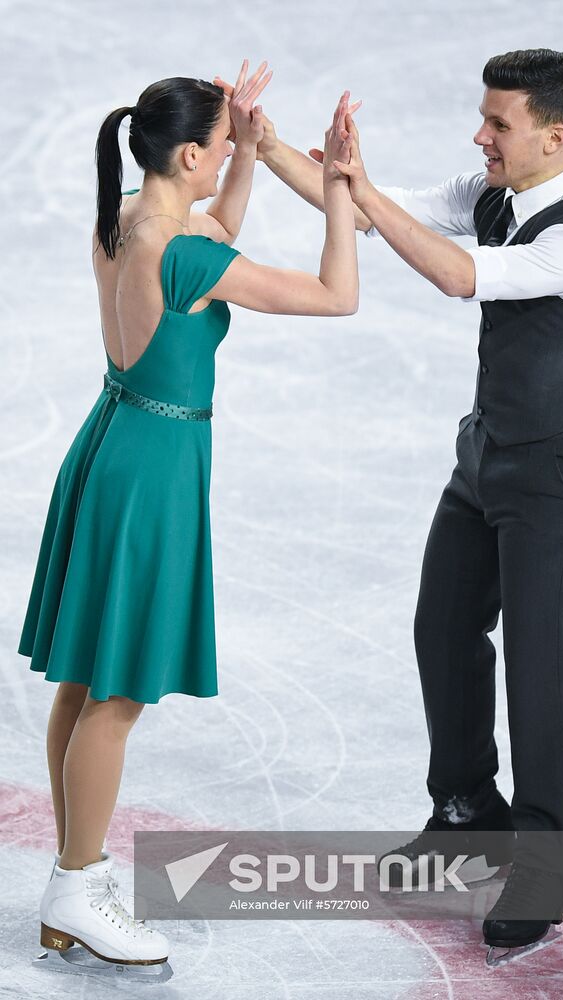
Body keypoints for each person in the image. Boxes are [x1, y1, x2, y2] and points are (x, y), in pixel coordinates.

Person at [245, 47, 563, 962]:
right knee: (441, 625)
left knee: (539, 661)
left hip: (558, 475)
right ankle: (465, 815)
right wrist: (266, 149)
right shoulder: (491, 195)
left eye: (499, 123)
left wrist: (358, 190)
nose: (480, 134)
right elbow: (377, 209)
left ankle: (542, 860)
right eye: (483, 118)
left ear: (553, 135)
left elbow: (457, 274)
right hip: (485, 456)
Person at [18, 60, 358, 980]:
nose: (222, 167)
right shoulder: (190, 252)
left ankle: (71, 880)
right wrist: (336, 193)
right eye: (216, 153)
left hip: (109, 443)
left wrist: (245, 150)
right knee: (118, 693)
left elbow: (212, 233)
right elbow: (338, 295)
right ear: (188, 153)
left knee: (85, 680)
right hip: (155, 473)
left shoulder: (132, 215)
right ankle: (77, 886)